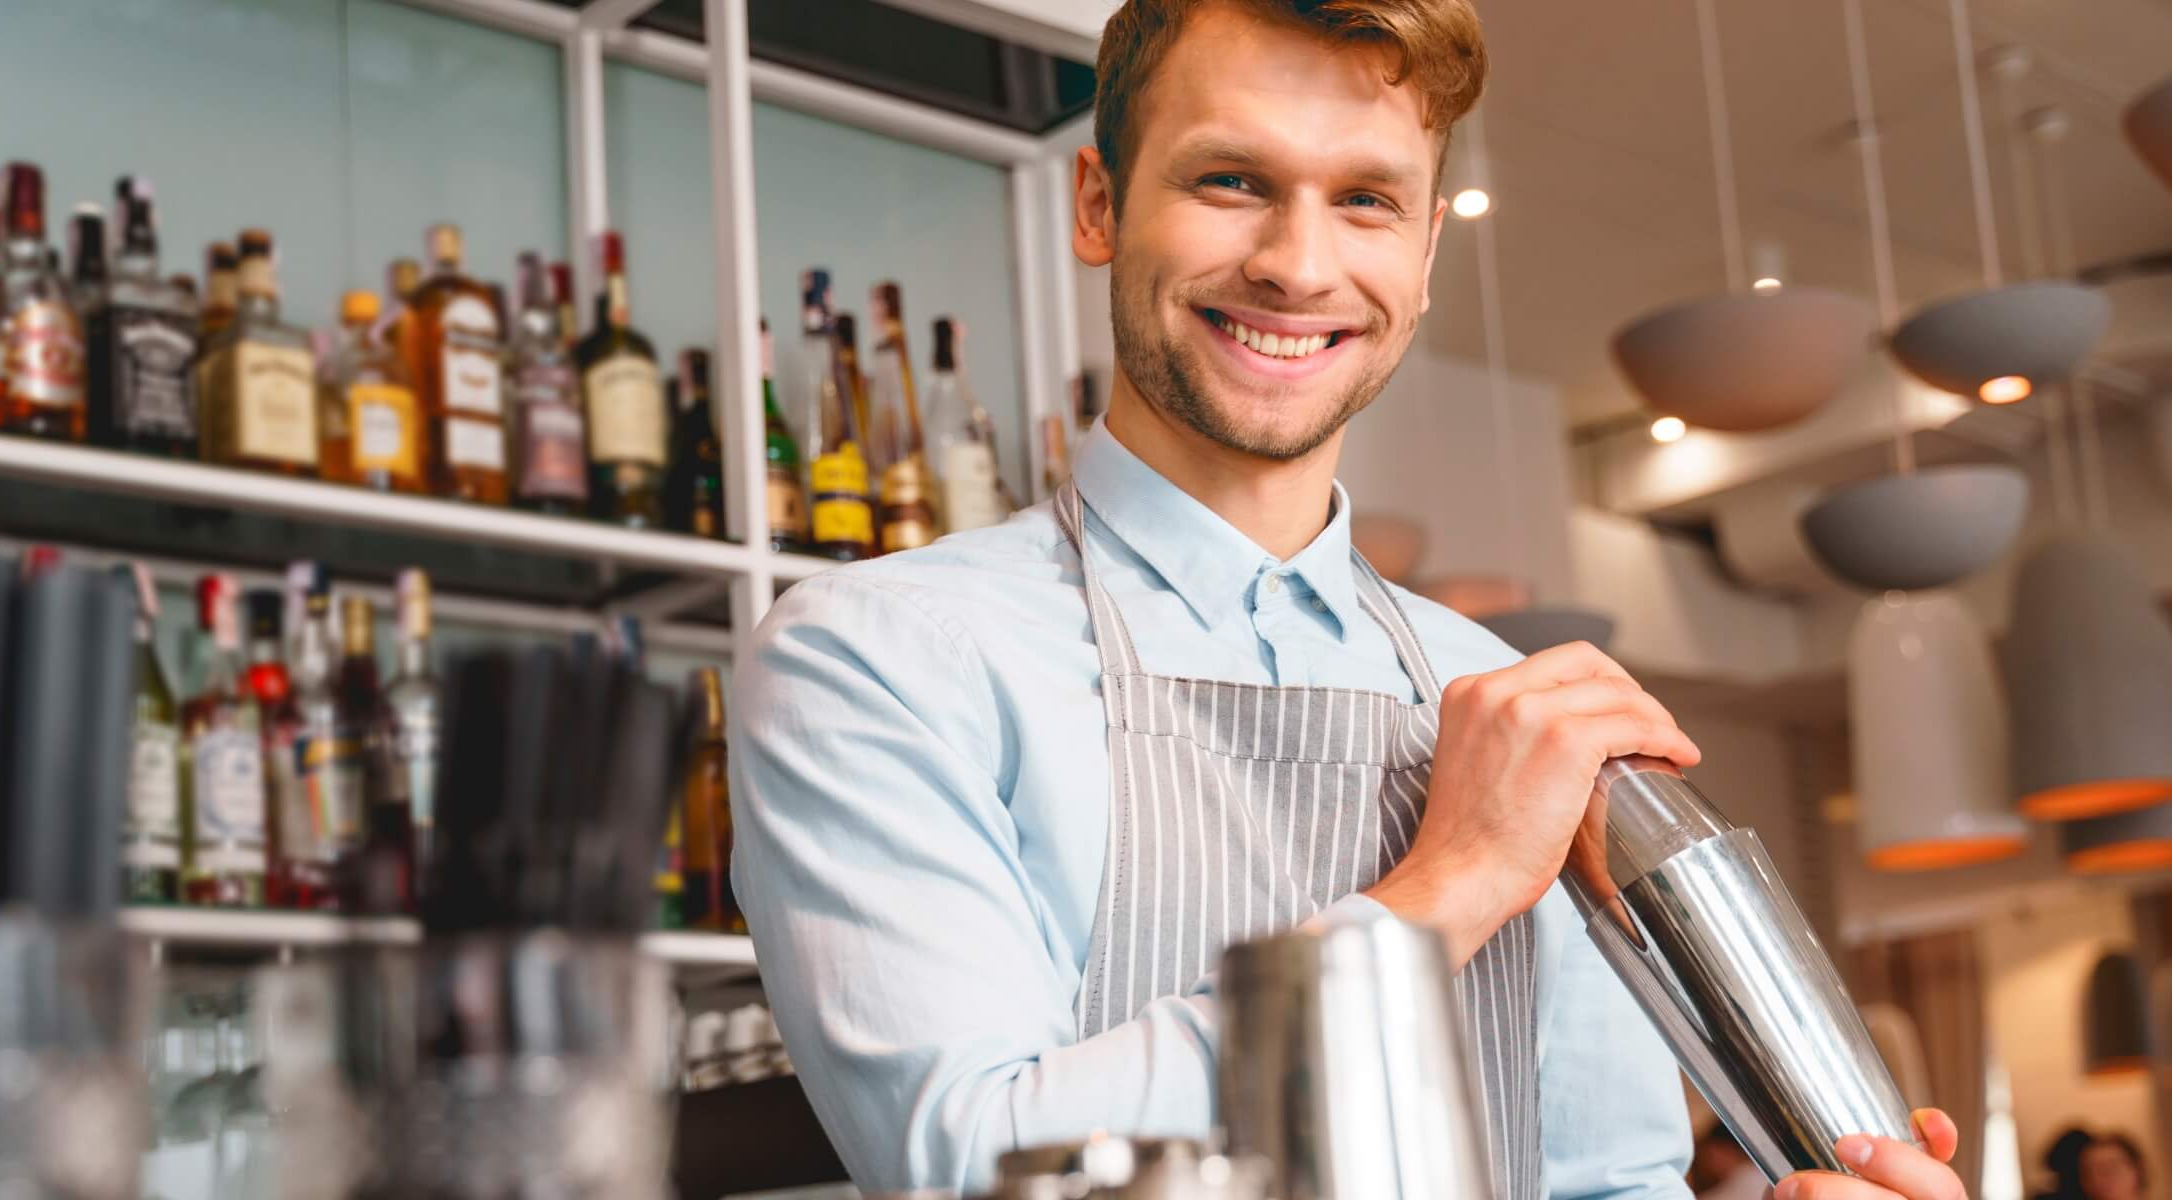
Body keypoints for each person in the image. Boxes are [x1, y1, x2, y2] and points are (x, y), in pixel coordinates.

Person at [726, 0, 1972, 1196]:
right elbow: (968, 1165)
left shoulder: (1506, 697)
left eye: (1366, 200)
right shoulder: (883, 656)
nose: (1297, 266)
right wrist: (1453, 883)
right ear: (1100, 205)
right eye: (1231, 181)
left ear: (1423, 256)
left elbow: (1606, 1184)